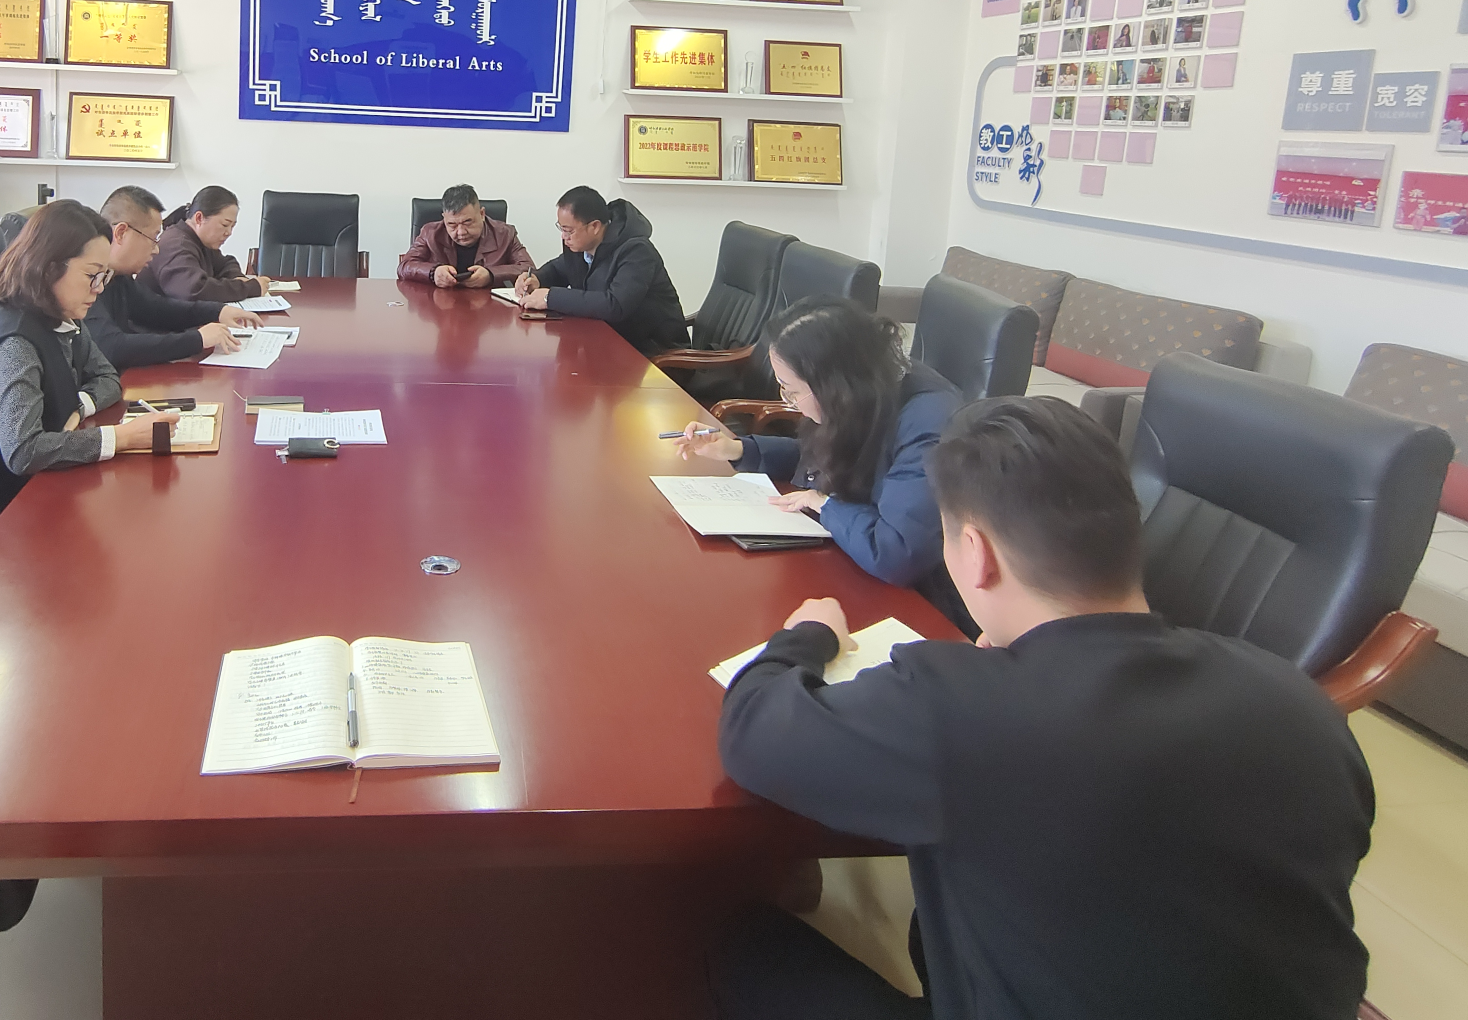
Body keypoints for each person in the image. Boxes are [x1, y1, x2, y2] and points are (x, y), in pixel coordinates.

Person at [709, 396, 1372, 1020]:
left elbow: (751, 729)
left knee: (744, 945)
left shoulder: (959, 704)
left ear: (976, 554)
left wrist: (809, 634)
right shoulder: (1298, 700)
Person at [674, 297, 966, 629]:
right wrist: (740, 450)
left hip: (923, 604)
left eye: (791, 391)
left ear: (833, 386)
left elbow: (897, 553)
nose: (790, 403)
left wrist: (824, 504)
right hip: (855, 564)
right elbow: (826, 456)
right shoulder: (866, 385)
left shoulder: (928, 423)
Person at [0, 200, 159, 524]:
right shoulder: (15, 343)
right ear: (49, 269)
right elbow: (24, 452)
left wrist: (76, 408)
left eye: (103, 276)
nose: (98, 289)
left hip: (35, 490)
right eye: (91, 275)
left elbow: (107, 377)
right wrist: (123, 438)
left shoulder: (61, 315)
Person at [84, 185, 265, 369]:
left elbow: (157, 308)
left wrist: (218, 311)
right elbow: (112, 347)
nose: (156, 249)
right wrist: (197, 339)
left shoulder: (119, 277)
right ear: (121, 233)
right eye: (153, 238)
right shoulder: (88, 281)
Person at [512, 186, 686, 355]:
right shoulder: (581, 246)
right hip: (607, 345)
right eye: (562, 229)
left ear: (594, 226)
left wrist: (549, 298)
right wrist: (536, 278)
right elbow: (558, 269)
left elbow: (615, 305)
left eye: (568, 230)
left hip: (652, 354)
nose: (564, 237)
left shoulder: (636, 251)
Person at [143, 185, 270, 303]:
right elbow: (194, 290)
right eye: (225, 225)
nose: (229, 233)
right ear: (199, 218)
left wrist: (236, 277)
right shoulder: (177, 244)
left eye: (232, 226)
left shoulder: (200, 241)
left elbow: (226, 263)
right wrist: (249, 288)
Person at [398, 184, 534, 288]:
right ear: (444, 218)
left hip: (487, 308)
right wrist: (433, 272)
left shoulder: (505, 233)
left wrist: (491, 275)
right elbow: (405, 266)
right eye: (452, 224)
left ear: (482, 214)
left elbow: (529, 269)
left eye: (467, 222)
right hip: (440, 305)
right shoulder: (430, 233)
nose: (461, 232)